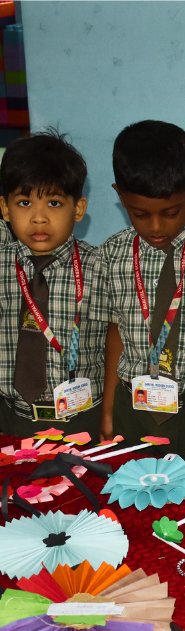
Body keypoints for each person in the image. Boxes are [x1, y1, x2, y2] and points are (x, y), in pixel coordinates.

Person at [93, 120, 185, 460]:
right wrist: (109, 407)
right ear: (119, 197)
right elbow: (115, 332)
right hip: (132, 404)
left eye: (171, 213)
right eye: (139, 214)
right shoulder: (111, 255)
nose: (156, 227)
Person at [0, 131, 107, 437]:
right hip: (10, 418)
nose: (39, 218)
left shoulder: (99, 267)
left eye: (54, 203)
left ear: (78, 209)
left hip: (82, 420)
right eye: (24, 202)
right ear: (5, 209)